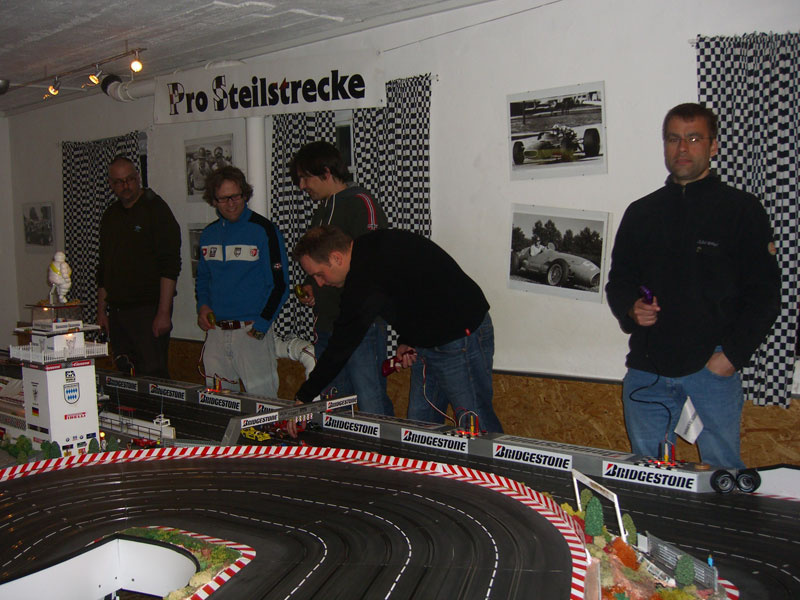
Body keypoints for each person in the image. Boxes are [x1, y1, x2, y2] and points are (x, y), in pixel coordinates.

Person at [605, 103, 781, 469]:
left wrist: (731, 357)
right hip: (647, 369)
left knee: (723, 476)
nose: (682, 148)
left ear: (713, 146)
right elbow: (619, 281)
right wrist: (631, 308)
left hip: (712, 368)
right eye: (673, 139)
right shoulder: (641, 213)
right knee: (647, 476)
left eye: (694, 138)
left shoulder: (742, 209)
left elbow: (765, 295)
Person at [292, 225, 503, 433]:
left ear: (336, 258)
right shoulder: (369, 250)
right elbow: (412, 292)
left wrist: (304, 397)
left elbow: (342, 343)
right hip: (430, 341)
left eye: (319, 274)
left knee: (478, 426)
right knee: (419, 431)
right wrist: (408, 339)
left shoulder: (365, 273)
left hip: (459, 338)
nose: (319, 283)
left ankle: (499, 458)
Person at [288, 141, 393, 415]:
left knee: (371, 402)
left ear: (326, 172)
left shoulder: (361, 204)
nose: (302, 186)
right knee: (333, 405)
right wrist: (312, 286)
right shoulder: (321, 211)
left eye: (305, 178)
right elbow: (320, 262)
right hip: (327, 325)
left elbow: (374, 265)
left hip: (361, 326)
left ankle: (384, 445)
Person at [196, 166, 289, 397]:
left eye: (235, 196)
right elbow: (203, 278)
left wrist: (261, 327)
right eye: (223, 198)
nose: (231, 204)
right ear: (214, 201)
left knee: (264, 404)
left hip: (251, 332)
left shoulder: (264, 230)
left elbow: (280, 285)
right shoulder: (208, 234)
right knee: (218, 402)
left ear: (245, 195)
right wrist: (203, 306)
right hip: (216, 333)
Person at [97, 156, 181, 378]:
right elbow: (104, 268)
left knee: (153, 375)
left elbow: (170, 265)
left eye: (130, 179)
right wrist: (102, 312)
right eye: (119, 182)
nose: (125, 186)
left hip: (148, 310)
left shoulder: (156, 210)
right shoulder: (111, 216)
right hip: (118, 312)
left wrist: (163, 312)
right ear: (111, 184)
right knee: (125, 373)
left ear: (138, 177)